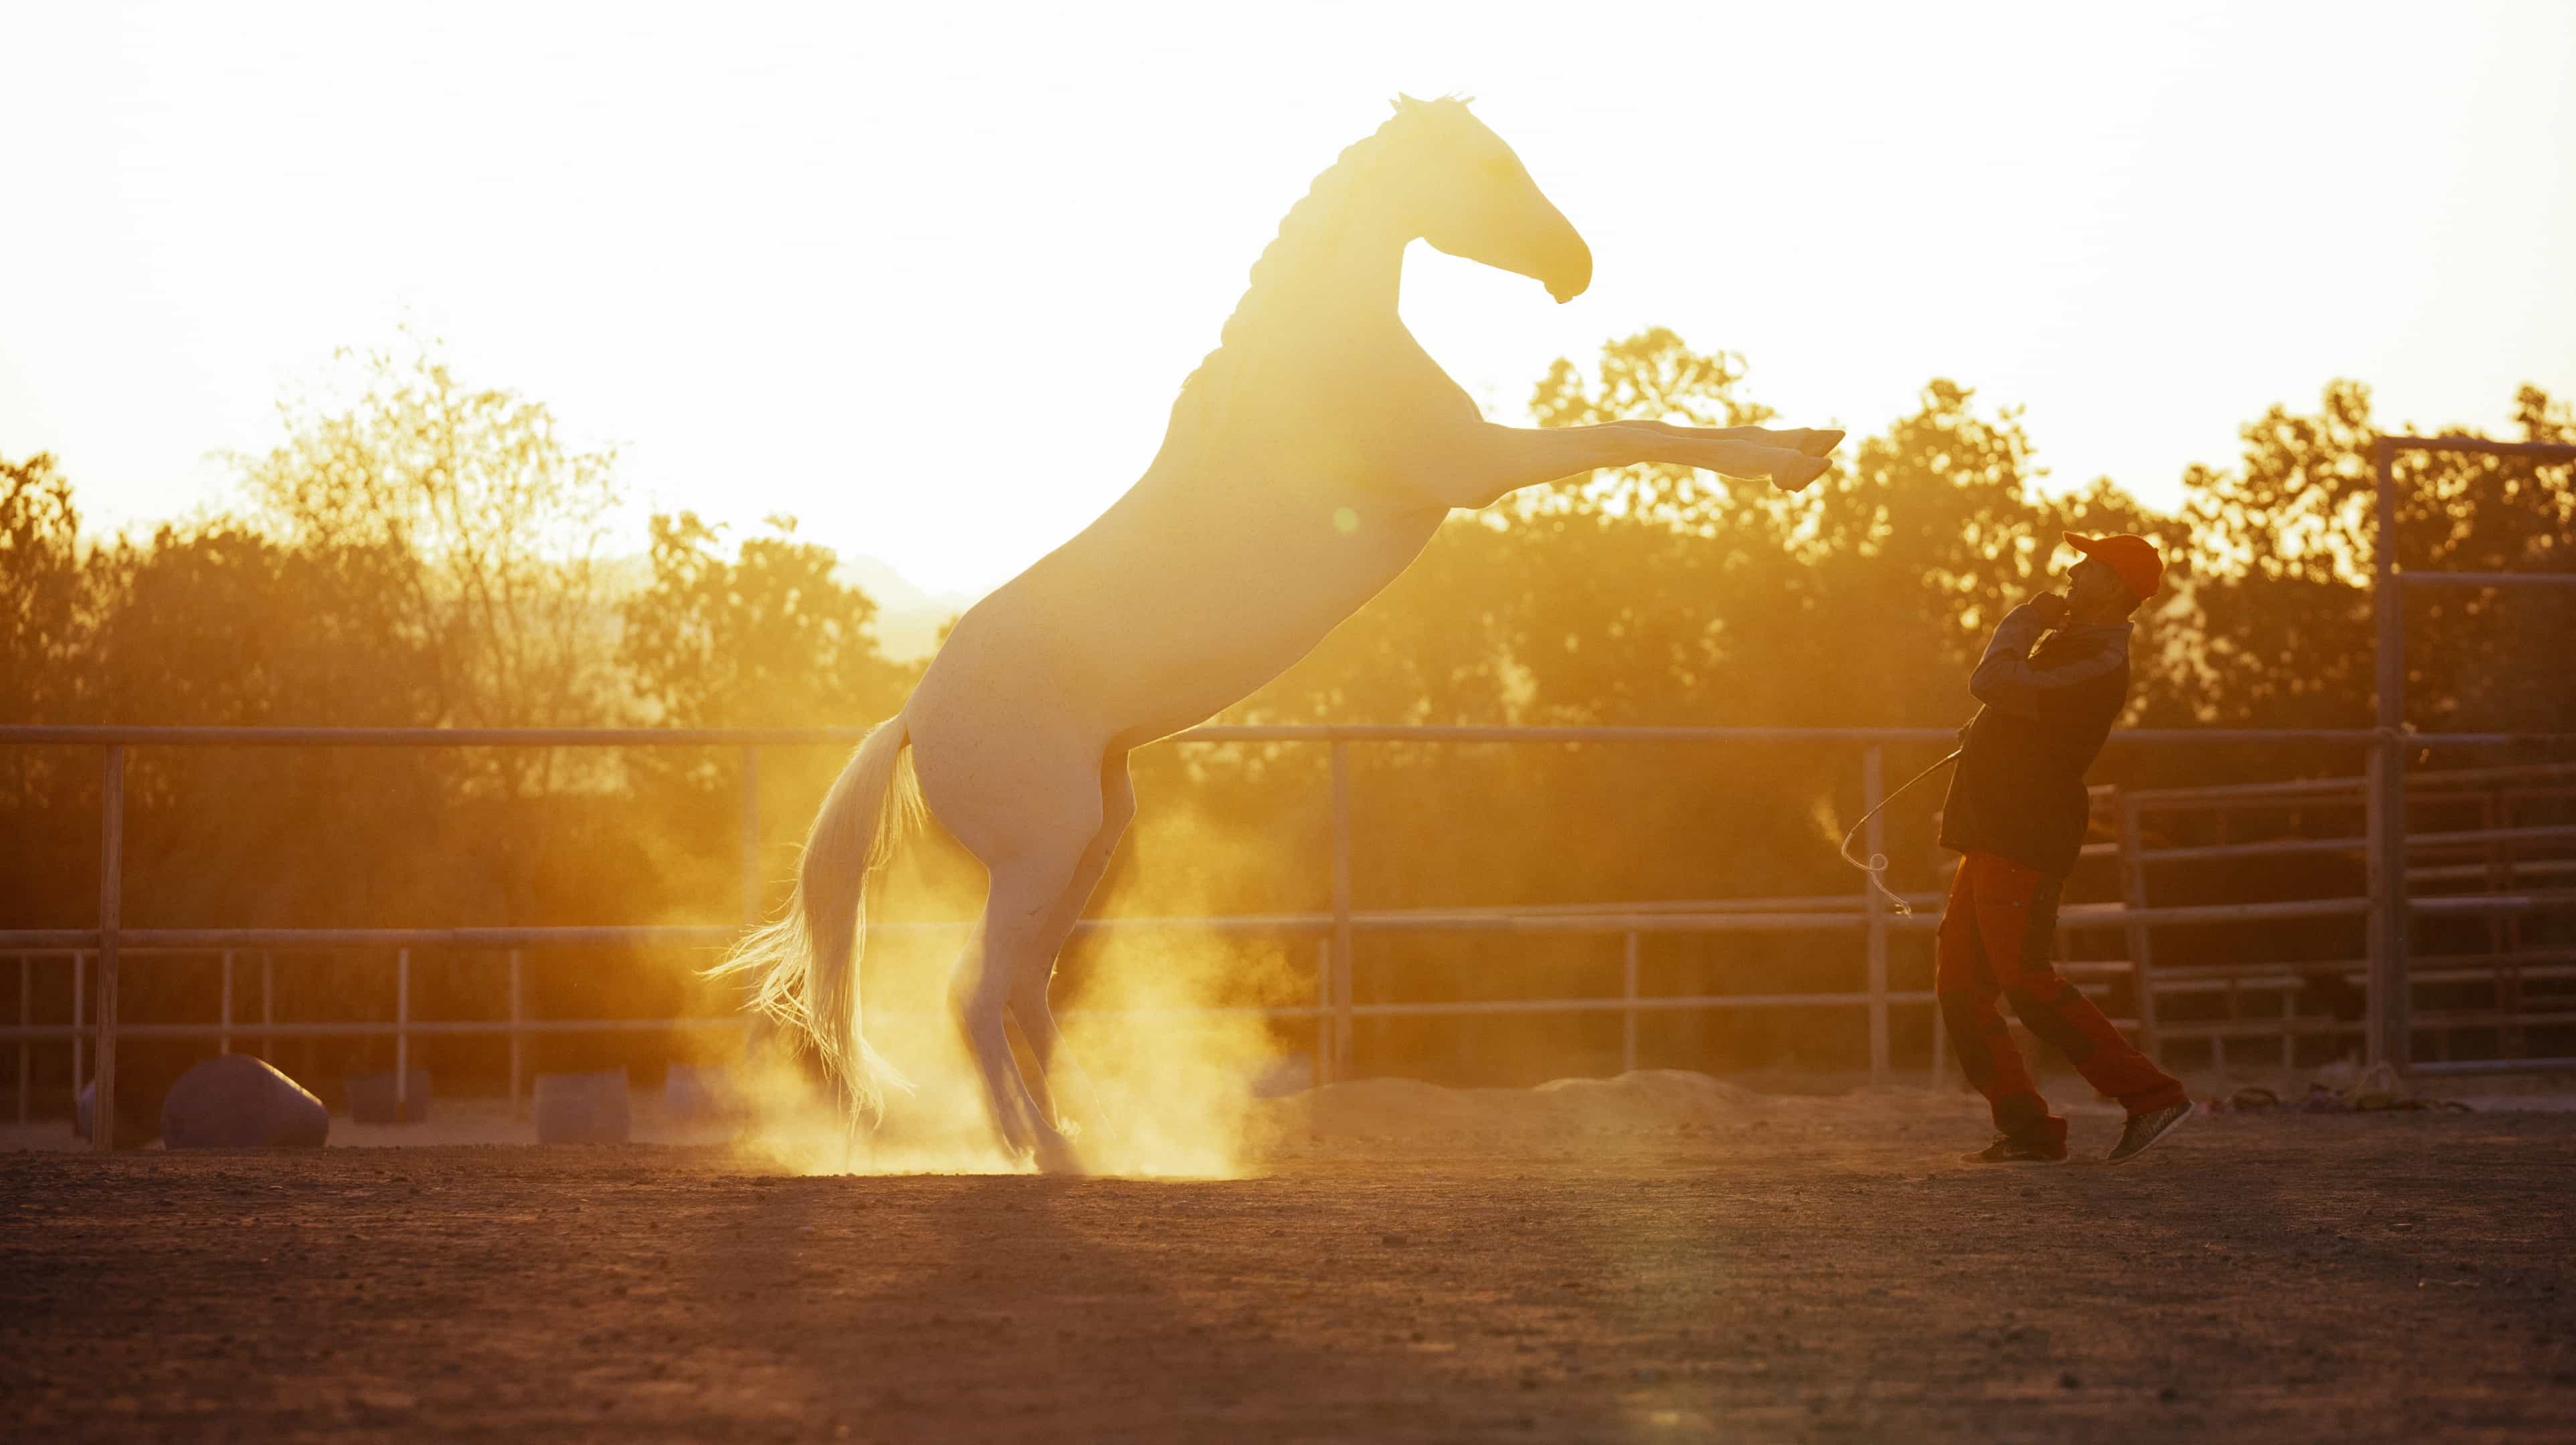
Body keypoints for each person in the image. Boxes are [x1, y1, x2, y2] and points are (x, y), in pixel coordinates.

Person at [1936, 532, 2192, 1164]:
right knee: (1961, 987)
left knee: (2024, 980)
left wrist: (2023, 618)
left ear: (2118, 588)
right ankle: (2027, 1126)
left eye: (2091, 566)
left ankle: (2151, 1095)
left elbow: (1991, 680)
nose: (2074, 572)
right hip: (1994, 831)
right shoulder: (2076, 648)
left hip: (2023, 833)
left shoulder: (2096, 661)